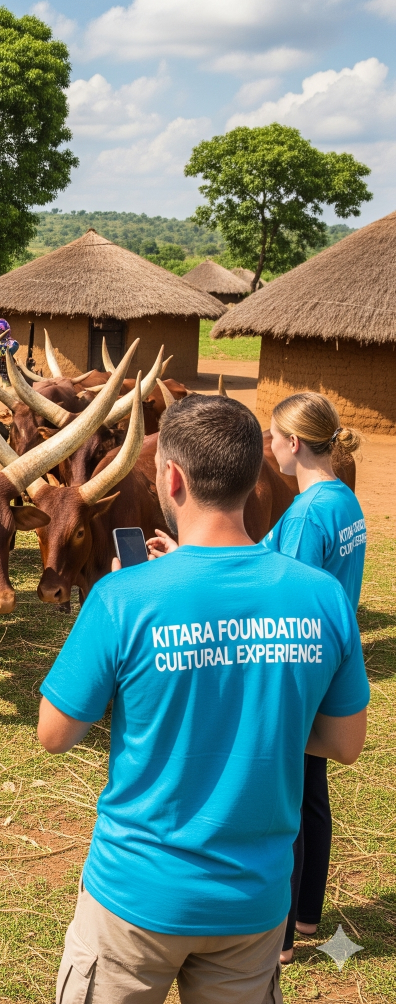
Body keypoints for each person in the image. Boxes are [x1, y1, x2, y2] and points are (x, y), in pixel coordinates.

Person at [37, 394, 369, 1004]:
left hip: (137, 897)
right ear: (255, 474)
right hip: (254, 907)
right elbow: (345, 744)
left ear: (171, 477)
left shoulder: (122, 598)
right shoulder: (322, 599)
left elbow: (55, 734)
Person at [264, 392, 366, 965]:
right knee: (312, 796)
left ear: (294, 443)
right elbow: (271, 557)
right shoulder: (342, 500)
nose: (269, 446)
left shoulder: (305, 512)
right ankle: (307, 916)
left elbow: (288, 599)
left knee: (287, 802)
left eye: (273, 436)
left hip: (299, 669)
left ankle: (277, 940)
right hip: (334, 662)